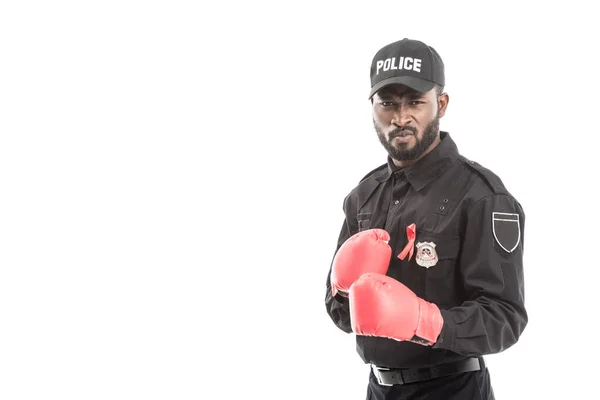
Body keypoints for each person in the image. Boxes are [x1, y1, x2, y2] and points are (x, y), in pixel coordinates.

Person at [324, 38, 528, 400]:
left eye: (415, 102)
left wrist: (427, 321)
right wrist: (341, 292)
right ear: (372, 107)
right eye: (388, 103)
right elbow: (341, 315)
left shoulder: (482, 195)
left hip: (453, 390)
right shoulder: (363, 195)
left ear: (442, 104)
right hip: (377, 389)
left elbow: (505, 318)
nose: (400, 118)